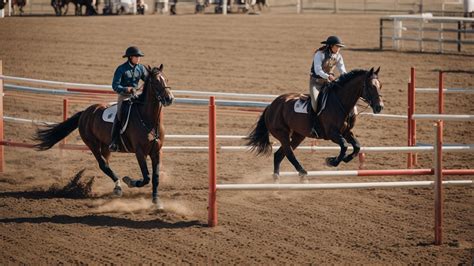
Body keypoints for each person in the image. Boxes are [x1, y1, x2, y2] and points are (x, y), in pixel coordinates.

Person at [109, 46, 148, 151]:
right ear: (130, 57)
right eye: (137, 56)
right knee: (120, 115)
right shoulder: (121, 69)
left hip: (136, 96)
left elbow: (148, 79)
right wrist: (126, 89)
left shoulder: (141, 68)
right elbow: (115, 86)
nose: (139, 58)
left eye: (139, 56)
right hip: (124, 96)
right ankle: (114, 142)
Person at [308, 35, 347, 136]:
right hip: (316, 83)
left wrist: (346, 78)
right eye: (337, 46)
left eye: (339, 47)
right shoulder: (319, 54)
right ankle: (313, 126)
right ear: (330, 46)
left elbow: (342, 70)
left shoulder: (338, 56)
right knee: (315, 102)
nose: (338, 49)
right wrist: (327, 76)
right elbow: (318, 70)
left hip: (328, 83)